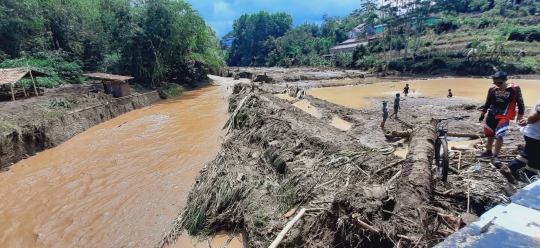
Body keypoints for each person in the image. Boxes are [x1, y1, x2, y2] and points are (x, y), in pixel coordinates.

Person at [477, 71, 525, 167]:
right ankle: (488, 151)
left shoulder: (514, 89)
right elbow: (488, 102)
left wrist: (520, 115)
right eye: (495, 83)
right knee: (489, 134)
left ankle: (495, 156)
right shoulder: (492, 89)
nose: (498, 85)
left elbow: (520, 103)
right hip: (492, 113)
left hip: (505, 115)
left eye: (500, 83)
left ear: (505, 80)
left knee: (500, 135)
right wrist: (483, 113)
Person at [503, 98, 540, 181]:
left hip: (533, 133)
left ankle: (511, 167)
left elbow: (534, 110)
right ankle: (527, 174)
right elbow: (535, 115)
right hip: (536, 135)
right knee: (536, 157)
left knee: (528, 153)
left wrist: (527, 120)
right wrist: (527, 121)